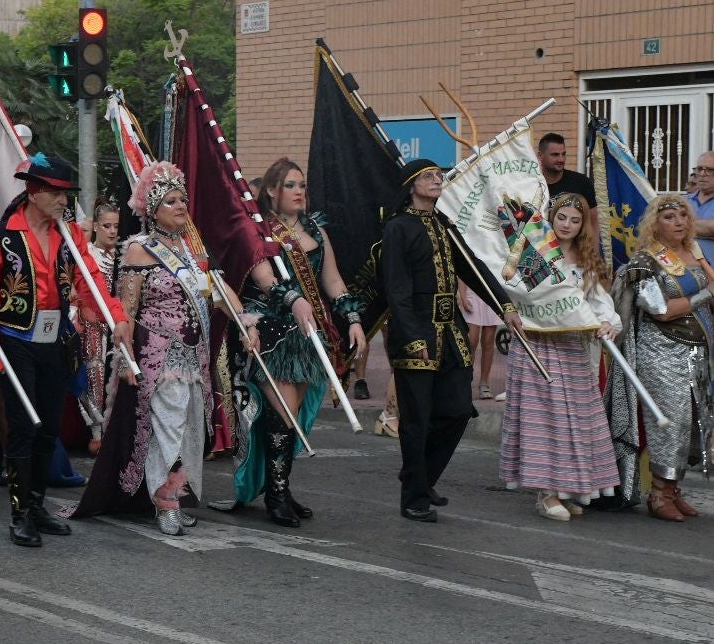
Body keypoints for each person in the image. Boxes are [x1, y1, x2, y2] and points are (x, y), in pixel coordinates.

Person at [72, 162, 256, 534]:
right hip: (159, 356)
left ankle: (176, 490)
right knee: (167, 428)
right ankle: (164, 499)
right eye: (171, 201)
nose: (180, 206)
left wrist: (245, 322)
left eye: (182, 200)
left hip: (194, 355)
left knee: (190, 429)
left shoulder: (191, 249)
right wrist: (124, 360)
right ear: (152, 210)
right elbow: (126, 308)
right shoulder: (139, 249)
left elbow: (217, 294)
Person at [0, 151, 128, 548]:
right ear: (35, 192)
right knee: (23, 427)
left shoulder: (71, 236)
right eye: (57, 193)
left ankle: (38, 505)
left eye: (65, 194)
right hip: (16, 342)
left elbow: (91, 279)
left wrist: (116, 316)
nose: (64, 201)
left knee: (50, 429)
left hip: (57, 341)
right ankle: (20, 512)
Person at [382, 159, 521, 522]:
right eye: (428, 176)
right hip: (416, 334)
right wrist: (412, 337)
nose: (436, 180)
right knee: (416, 419)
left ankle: (420, 477)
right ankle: (413, 497)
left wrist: (504, 305)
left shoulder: (445, 226)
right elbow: (396, 290)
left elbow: (473, 270)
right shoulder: (398, 228)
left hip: (451, 333)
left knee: (458, 410)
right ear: (412, 185)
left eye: (438, 176)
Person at [232, 158, 365, 527]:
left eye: (302, 185)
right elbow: (265, 281)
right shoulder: (259, 231)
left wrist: (353, 319)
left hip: (309, 335)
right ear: (272, 191)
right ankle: (275, 494)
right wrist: (293, 300)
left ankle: (281, 487)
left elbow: (333, 282)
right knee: (283, 414)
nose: (299, 191)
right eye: (290, 185)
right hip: (272, 330)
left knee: (293, 420)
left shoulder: (316, 231)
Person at [499, 193, 619, 520]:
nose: (567, 225)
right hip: (536, 345)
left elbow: (597, 301)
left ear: (583, 226)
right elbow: (512, 292)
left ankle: (567, 488)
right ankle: (546, 493)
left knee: (574, 422)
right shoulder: (530, 251)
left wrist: (608, 321)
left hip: (572, 347)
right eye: (562, 217)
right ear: (551, 218)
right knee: (544, 420)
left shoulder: (588, 260)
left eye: (575, 220)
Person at [606, 193, 713, 521]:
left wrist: (703, 262)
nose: (679, 222)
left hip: (697, 350)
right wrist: (706, 293)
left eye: (683, 216)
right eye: (670, 217)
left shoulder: (692, 254)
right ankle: (658, 495)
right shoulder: (646, 261)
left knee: (695, 420)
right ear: (655, 223)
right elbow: (661, 310)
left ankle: (673, 489)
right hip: (660, 350)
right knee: (671, 420)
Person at [79, 200, 121, 454]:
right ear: (96, 226)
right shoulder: (87, 256)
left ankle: (116, 429)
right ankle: (96, 431)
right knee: (94, 374)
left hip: (119, 325)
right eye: (107, 226)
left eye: (116, 226)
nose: (112, 231)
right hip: (94, 325)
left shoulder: (126, 254)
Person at [537, 133, 597, 212]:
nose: (561, 159)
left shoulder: (582, 183)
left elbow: (594, 221)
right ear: (540, 155)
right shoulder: (531, 185)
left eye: (563, 154)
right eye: (555, 155)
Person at [686, 151, 714, 266]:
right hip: (683, 275)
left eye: (709, 169)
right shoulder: (682, 201)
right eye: (699, 169)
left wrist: (680, 228)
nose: (703, 173)